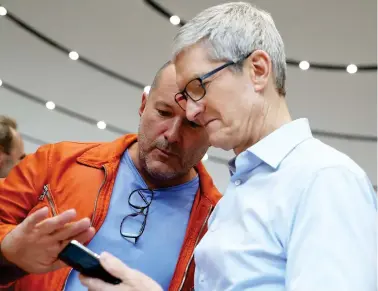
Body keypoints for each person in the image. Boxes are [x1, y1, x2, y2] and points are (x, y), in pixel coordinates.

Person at [82, 2, 377, 291]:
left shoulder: (324, 179)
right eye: (185, 96)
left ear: (258, 70)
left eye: (198, 87)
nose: (192, 111)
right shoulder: (237, 193)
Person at [0, 62, 221, 291]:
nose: (172, 135)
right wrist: (7, 250)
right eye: (163, 112)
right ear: (143, 105)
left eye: (193, 124)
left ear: (213, 131)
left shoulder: (221, 221)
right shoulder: (55, 162)